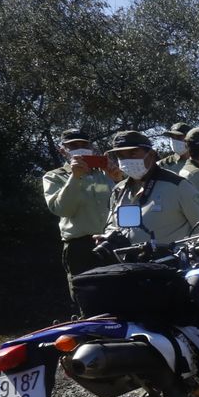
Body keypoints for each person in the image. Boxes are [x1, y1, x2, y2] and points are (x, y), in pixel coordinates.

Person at [102, 130, 199, 248]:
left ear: (151, 154)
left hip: (173, 265)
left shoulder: (177, 185)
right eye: (120, 156)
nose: (126, 160)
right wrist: (109, 236)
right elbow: (113, 226)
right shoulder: (120, 190)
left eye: (132, 153)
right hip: (129, 265)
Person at [41, 127, 117, 301]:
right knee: (86, 298)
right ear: (63, 150)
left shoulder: (103, 175)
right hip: (80, 247)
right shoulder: (54, 177)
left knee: (117, 295)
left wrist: (118, 178)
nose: (80, 148)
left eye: (84, 144)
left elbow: (120, 203)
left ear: (91, 147)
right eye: (73, 145)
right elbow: (62, 209)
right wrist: (75, 178)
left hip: (111, 243)